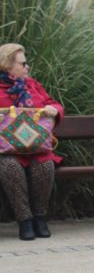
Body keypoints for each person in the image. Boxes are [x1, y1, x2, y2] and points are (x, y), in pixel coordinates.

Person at [0, 43, 63, 240]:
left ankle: (39, 217)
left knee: (44, 165)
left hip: (36, 146)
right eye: (23, 63)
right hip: (6, 149)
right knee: (10, 167)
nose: (27, 67)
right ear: (8, 65)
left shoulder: (32, 85)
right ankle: (24, 220)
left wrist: (54, 109)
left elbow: (53, 103)